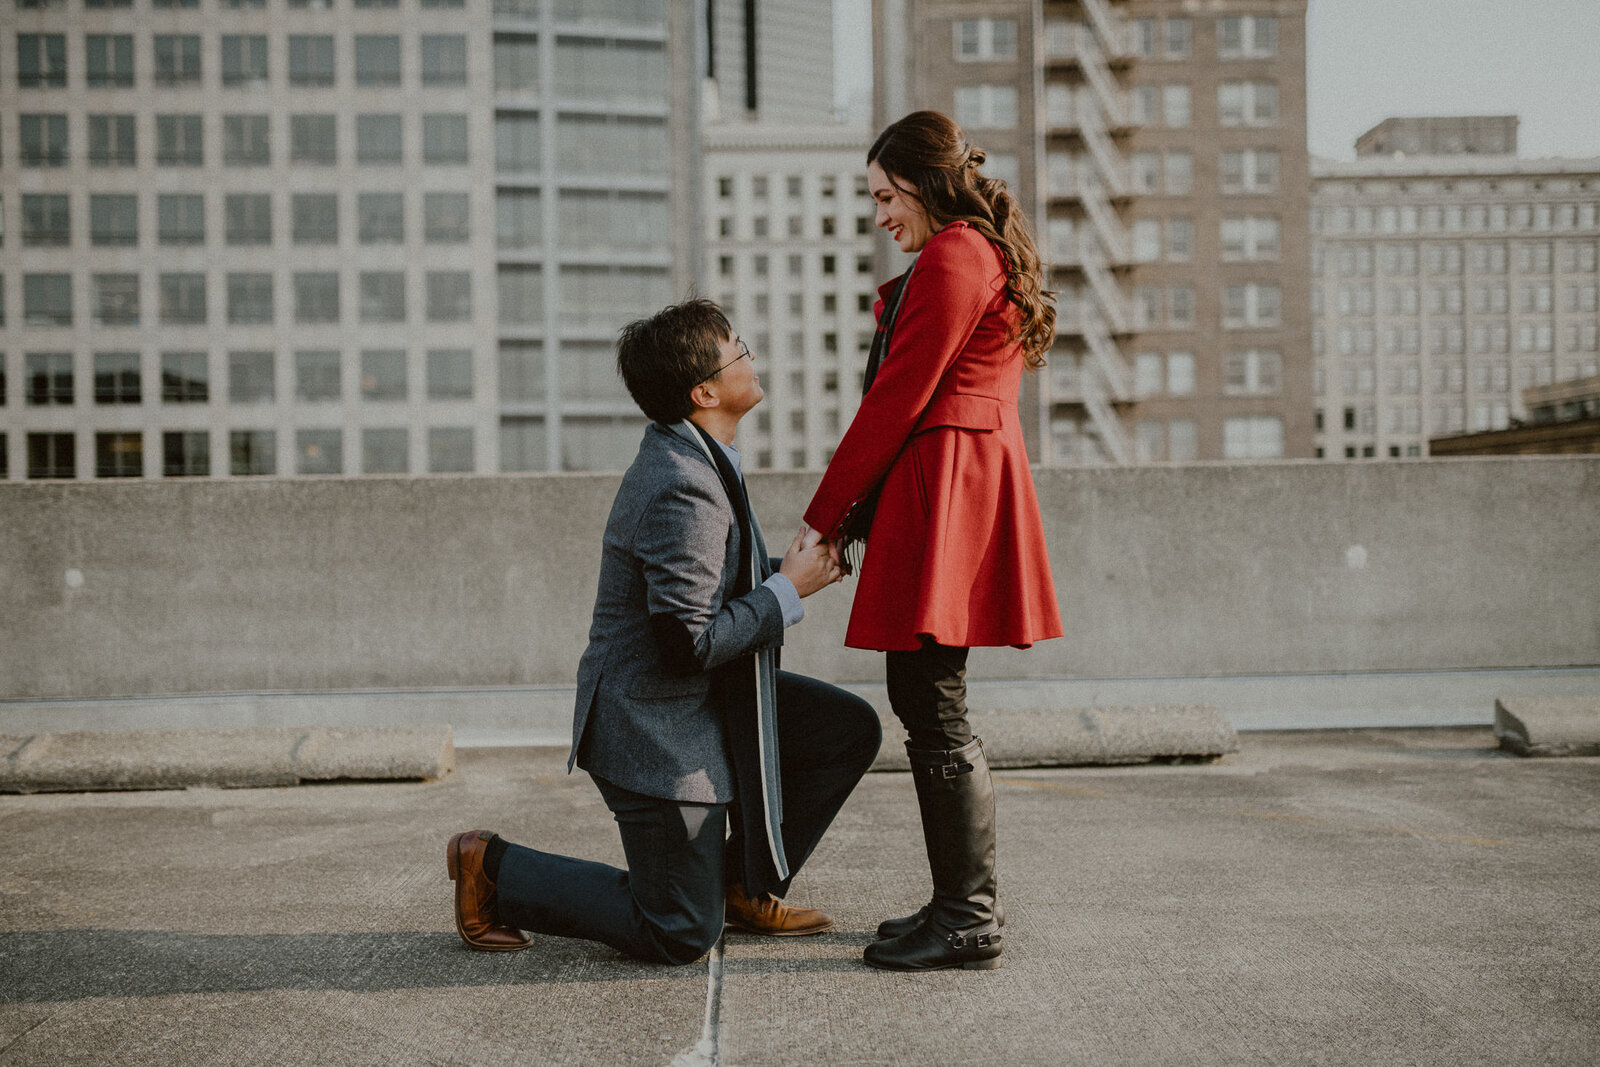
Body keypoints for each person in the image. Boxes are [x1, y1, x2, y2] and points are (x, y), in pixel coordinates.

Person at [448, 299, 881, 965]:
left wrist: (786, 571)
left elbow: (705, 586)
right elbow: (691, 642)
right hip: (656, 728)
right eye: (740, 350)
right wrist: (786, 589)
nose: (753, 356)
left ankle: (740, 883)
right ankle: (495, 868)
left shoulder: (701, 456)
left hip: (701, 699)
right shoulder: (683, 483)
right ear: (704, 390)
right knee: (679, 930)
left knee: (843, 729)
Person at [800, 110, 1064, 972]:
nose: (879, 214)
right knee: (927, 701)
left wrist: (826, 514)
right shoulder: (968, 252)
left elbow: (898, 396)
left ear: (924, 179)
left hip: (946, 488)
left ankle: (968, 915)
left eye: (885, 194)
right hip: (947, 485)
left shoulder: (956, 253)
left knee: (934, 704)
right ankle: (959, 902)